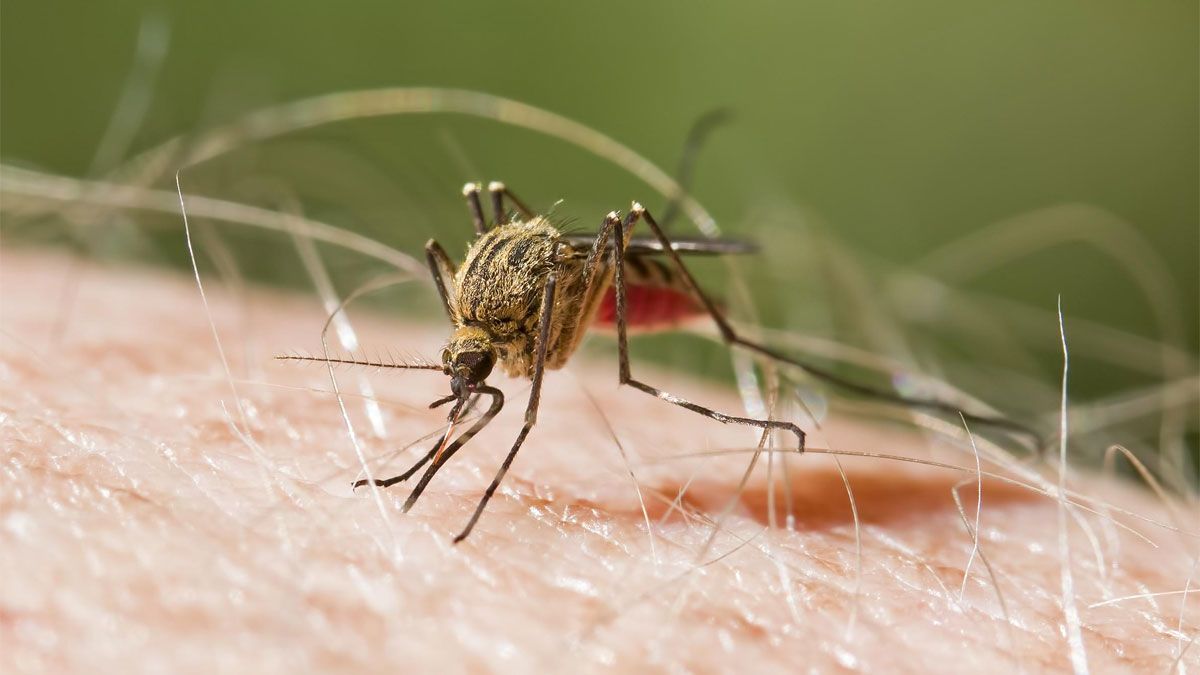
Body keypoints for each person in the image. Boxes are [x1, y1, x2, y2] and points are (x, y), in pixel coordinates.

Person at [2, 250, 1193, 672]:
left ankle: (738, 344)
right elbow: (486, 372)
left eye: (472, 379)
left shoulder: (514, 333)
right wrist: (424, 467)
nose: (466, 389)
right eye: (468, 377)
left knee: (585, 350)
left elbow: (514, 395)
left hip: (597, 288)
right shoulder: (473, 323)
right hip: (538, 290)